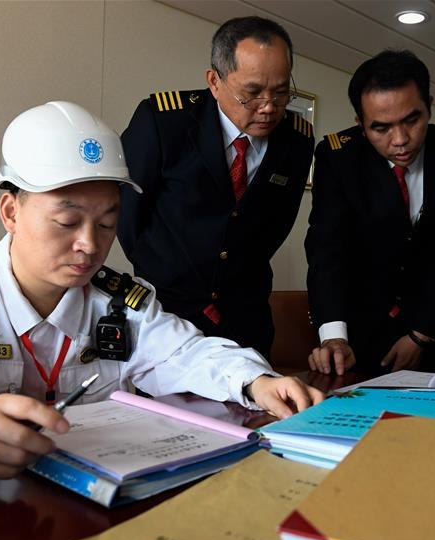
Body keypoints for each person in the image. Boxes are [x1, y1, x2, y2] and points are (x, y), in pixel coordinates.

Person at [0, 101, 323, 478]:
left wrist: (255, 381)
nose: (90, 246)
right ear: (10, 212)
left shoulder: (119, 301)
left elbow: (184, 353)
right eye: (67, 221)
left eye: (107, 222)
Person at [118, 16, 315, 359]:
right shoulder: (165, 122)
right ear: (214, 81)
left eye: (281, 92)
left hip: (246, 317)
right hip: (167, 314)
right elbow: (128, 216)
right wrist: (170, 273)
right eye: (252, 93)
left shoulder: (297, 141)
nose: (269, 107)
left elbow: (277, 225)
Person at [305, 50, 435, 376]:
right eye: (381, 128)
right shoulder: (338, 158)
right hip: (357, 332)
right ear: (360, 124)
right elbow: (326, 249)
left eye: (412, 120)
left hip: (428, 328)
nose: (400, 140)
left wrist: (420, 334)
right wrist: (334, 337)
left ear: (429, 105)